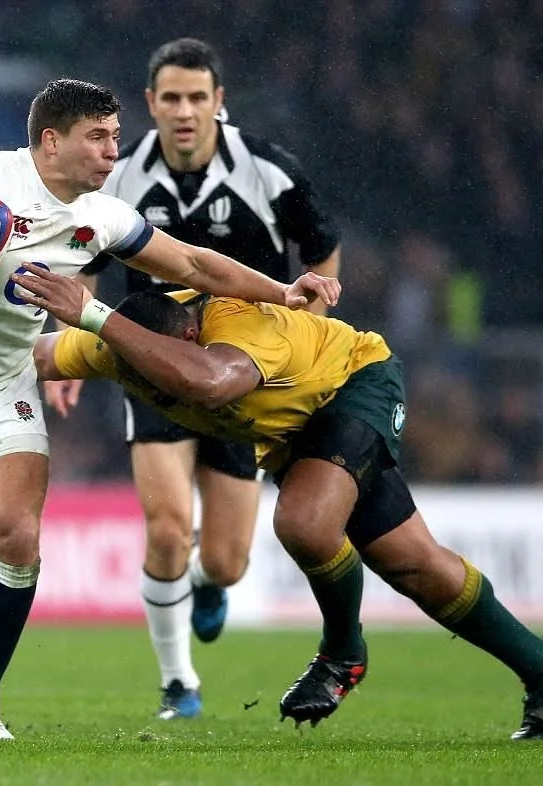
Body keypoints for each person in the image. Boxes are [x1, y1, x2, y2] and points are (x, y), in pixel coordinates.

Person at [0, 77, 340, 740]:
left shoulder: (101, 217)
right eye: (98, 137)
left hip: (4, 387)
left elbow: (193, 264)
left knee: (19, 538)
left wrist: (282, 290)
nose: (113, 151)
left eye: (115, 137)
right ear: (52, 141)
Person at [5, 263, 543, 741]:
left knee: (306, 523)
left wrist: (95, 313)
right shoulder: (116, 345)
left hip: (354, 384)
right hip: (297, 435)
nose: (150, 386)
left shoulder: (237, 324)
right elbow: (27, 357)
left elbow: (210, 381)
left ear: (187, 337)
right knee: (415, 565)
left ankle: (342, 654)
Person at [43, 38, 342, 720]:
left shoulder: (268, 171)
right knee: (169, 527)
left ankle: (205, 583)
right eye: (172, 98)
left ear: (218, 102)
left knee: (229, 562)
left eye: (197, 98)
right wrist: (67, 351)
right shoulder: (119, 175)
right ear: (151, 103)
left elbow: (321, 249)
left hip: (244, 374)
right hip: (153, 364)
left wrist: (312, 329)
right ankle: (178, 683)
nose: (184, 111)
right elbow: (83, 263)